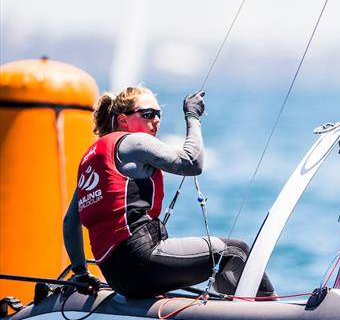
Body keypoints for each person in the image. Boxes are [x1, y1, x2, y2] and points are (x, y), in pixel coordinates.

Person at [62, 85, 275, 299]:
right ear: (123, 120)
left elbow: (70, 223)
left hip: (116, 277)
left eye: (159, 114)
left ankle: (235, 313)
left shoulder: (91, 159)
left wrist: (81, 273)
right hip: (141, 259)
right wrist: (192, 117)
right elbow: (191, 163)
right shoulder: (134, 141)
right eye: (147, 114)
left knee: (225, 256)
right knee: (234, 253)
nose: (156, 120)